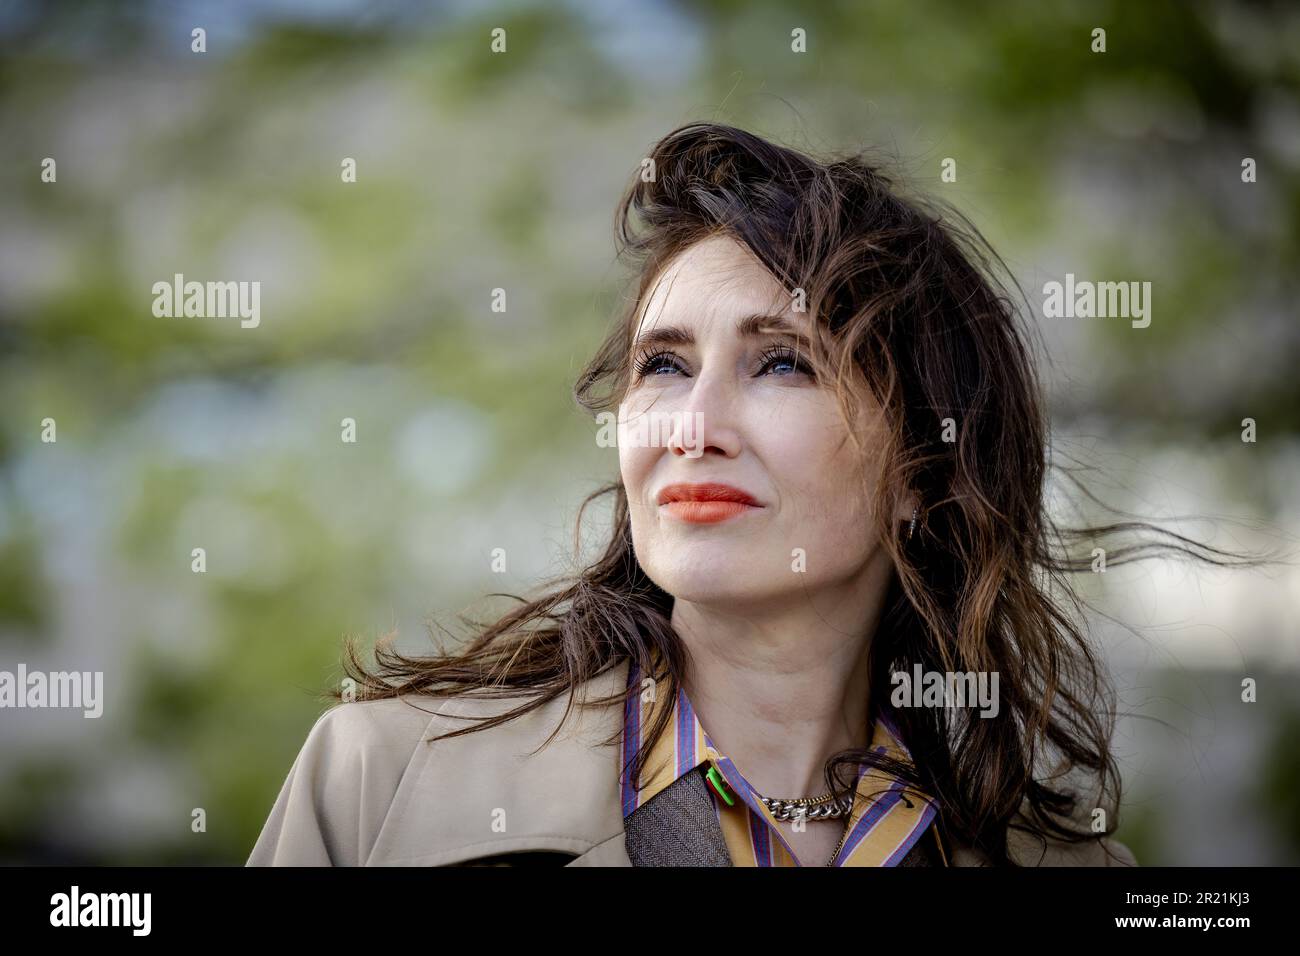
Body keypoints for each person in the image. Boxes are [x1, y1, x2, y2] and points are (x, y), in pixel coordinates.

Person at [248, 121, 1236, 867]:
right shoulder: (380, 781)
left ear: (921, 474)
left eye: (783, 366)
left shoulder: (1066, 864)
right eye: (664, 367)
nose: (692, 425)